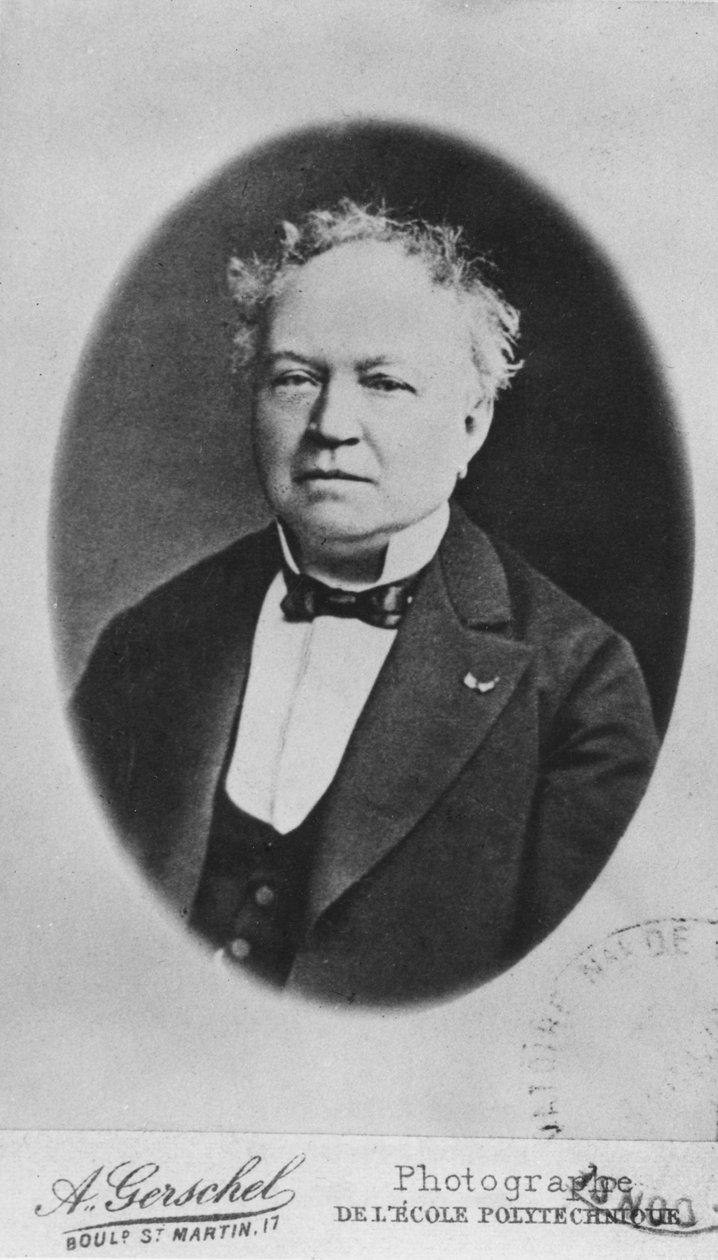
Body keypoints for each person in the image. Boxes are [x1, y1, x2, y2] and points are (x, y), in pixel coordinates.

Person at [72, 200, 658, 1007]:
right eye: (295, 379)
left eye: (384, 383)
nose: (331, 425)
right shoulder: (147, 641)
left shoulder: (579, 685)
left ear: (472, 423)